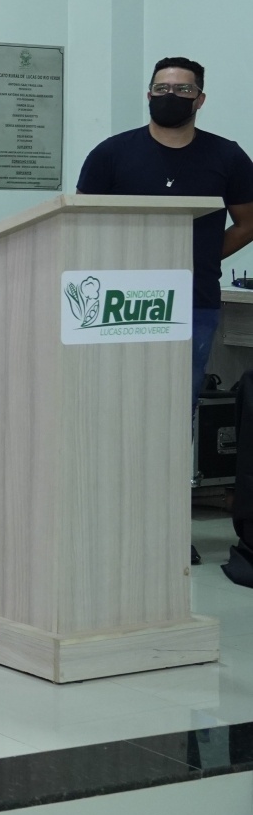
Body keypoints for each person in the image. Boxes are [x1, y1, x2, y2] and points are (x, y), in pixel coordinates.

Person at [74, 58, 253, 582]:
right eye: (161, 87)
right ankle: (107, 520)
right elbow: (82, 222)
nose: (170, 95)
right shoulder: (112, 153)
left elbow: (248, 221)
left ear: (200, 99)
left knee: (173, 417)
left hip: (192, 304)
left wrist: (201, 259)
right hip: (118, 306)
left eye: (182, 89)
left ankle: (167, 527)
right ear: (148, 94)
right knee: (114, 412)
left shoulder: (226, 156)